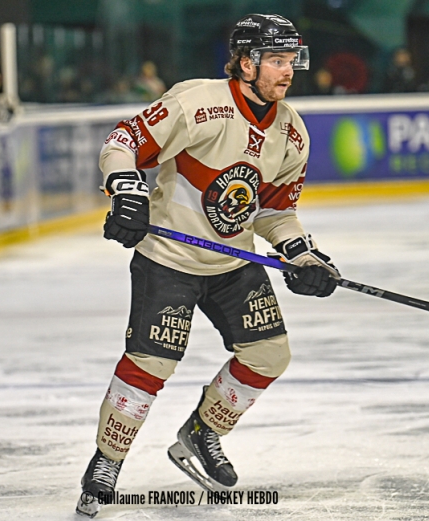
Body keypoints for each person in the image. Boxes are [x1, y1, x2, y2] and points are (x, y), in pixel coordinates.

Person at [75, 13, 339, 518]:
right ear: (246, 62)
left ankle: (202, 432)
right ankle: (107, 461)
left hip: (231, 264)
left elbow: (275, 210)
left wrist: (302, 253)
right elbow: (123, 143)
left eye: (291, 62)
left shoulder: (292, 132)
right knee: (151, 366)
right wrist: (128, 193)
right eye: (277, 61)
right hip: (169, 262)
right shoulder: (198, 102)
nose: (288, 72)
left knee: (269, 355)